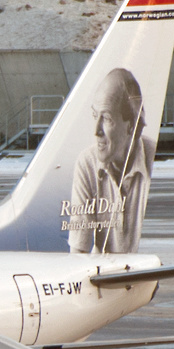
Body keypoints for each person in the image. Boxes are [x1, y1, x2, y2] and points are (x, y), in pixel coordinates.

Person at [65, 68, 154, 254]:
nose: (96, 131)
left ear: (130, 126)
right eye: (94, 116)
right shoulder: (87, 164)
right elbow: (78, 251)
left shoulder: (152, 160)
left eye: (106, 118)